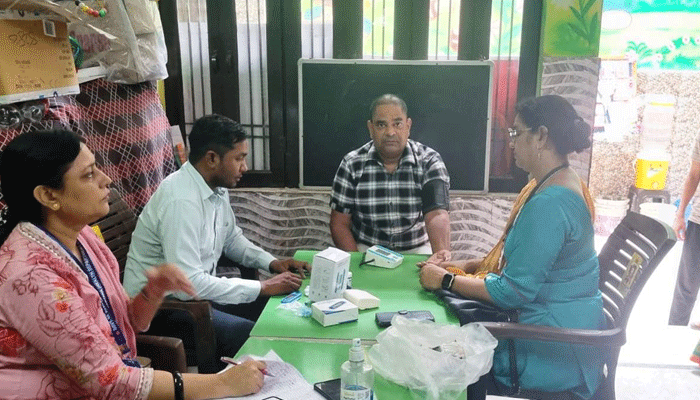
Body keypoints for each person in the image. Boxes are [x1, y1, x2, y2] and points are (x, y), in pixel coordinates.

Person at [0, 129, 266, 399]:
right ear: (48, 196)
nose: (106, 179)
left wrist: (153, 291)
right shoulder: (31, 277)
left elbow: (123, 324)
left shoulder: (83, 237)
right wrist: (221, 383)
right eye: (89, 174)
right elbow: (110, 381)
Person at [418, 95, 603, 399]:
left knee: (439, 358)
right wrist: (467, 266)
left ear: (541, 136)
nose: (511, 142)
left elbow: (512, 292)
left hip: (550, 346)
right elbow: (527, 263)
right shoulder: (558, 181)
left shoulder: (550, 204)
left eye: (516, 133)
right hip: (561, 330)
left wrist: (446, 280)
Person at [123, 114, 310, 364]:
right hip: (161, 311)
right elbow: (189, 285)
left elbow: (232, 239)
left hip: (196, 301)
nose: (245, 167)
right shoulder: (181, 201)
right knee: (250, 334)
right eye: (239, 158)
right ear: (212, 158)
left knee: (279, 309)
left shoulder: (216, 188)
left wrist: (273, 263)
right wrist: (263, 286)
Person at [329, 94, 451, 258]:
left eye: (397, 124)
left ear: (408, 126)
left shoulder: (429, 161)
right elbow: (339, 224)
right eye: (381, 125)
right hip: (367, 249)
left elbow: (437, 215)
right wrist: (356, 262)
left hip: (417, 248)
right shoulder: (351, 164)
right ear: (371, 128)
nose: (390, 132)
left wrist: (441, 259)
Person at [668, 129, 700, 329]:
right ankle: (674, 332)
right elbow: (694, 175)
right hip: (699, 220)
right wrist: (680, 214)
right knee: (687, 285)